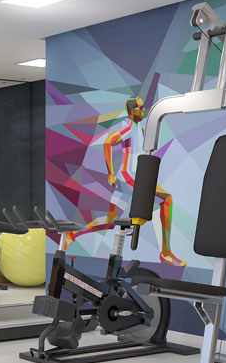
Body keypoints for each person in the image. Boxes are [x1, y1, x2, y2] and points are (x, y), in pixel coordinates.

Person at [64, 98, 186, 267]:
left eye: (143, 106)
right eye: (139, 107)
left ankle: (73, 234)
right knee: (167, 199)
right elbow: (108, 142)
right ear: (131, 111)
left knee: (110, 220)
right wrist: (110, 173)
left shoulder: (137, 128)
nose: (143, 109)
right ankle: (166, 253)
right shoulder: (128, 127)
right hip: (130, 178)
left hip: (127, 178)